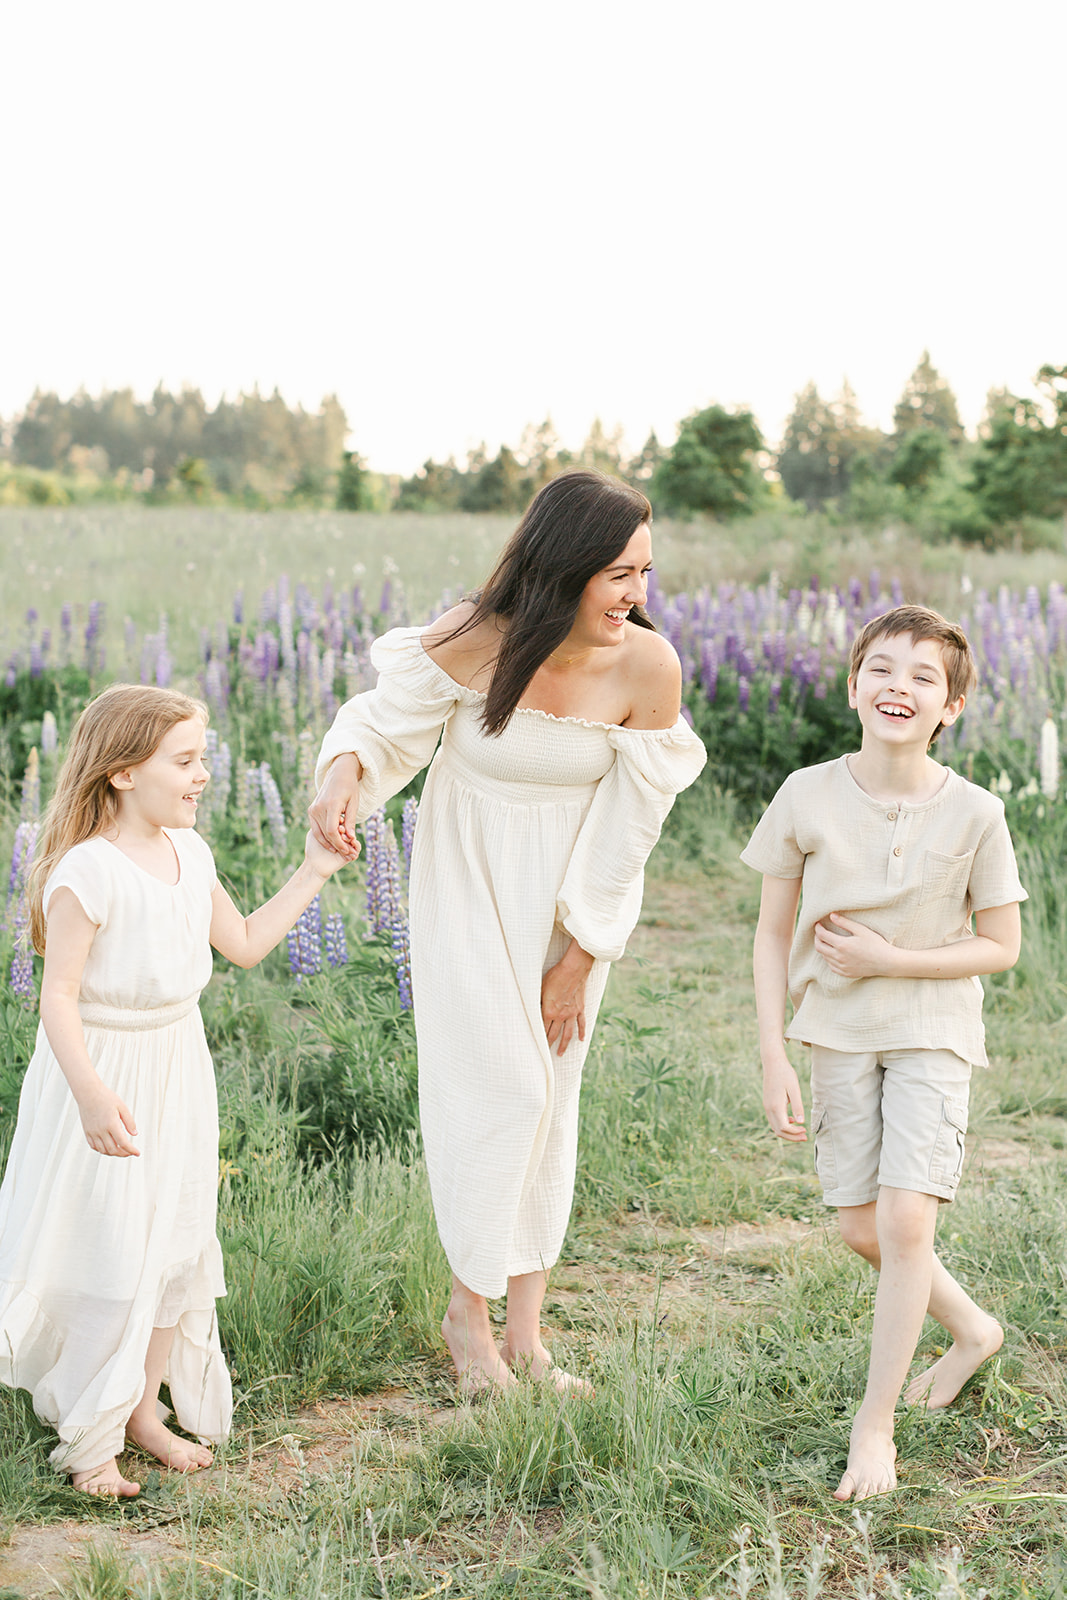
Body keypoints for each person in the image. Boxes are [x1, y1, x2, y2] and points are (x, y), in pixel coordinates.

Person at [309, 470, 706, 1396]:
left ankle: (525, 1333)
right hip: (467, 883)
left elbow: (628, 827)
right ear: (561, 565)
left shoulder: (646, 667)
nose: (635, 596)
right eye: (617, 574)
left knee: (549, 1100)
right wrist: (342, 776)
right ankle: (468, 1319)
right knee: (498, 1090)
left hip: (571, 899)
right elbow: (383, 724)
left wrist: (580, 953)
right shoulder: (473, 636)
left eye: (643, 573)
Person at [0, 683, 351, 1497]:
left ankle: (142, 1408)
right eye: (186, 761)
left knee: (178, 1247)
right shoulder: (86, 872)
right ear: (123, 773)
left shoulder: (192, 856)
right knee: (111, 1248)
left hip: (177, 1064)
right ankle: (91, 1434)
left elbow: (247, 945)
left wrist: (315, 868)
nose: (203, 776)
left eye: (203, 760)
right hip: (104, 1072)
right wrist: (88, 1094)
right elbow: (57, 998)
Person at [742, 604, 1025, 1501]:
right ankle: (973, 1328)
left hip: (933, 1030)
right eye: (882, 668)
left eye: (923, 677)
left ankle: (875, 1427)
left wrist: (892, 959)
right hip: (835, 1030)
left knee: (906, 1224)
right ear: (853, 682)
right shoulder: (806, 793)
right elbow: (768, 932)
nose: (899, 686)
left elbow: (1002, 944)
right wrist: (772, 1051)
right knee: (858, 1227)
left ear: (950, 708)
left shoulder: (976, 812)